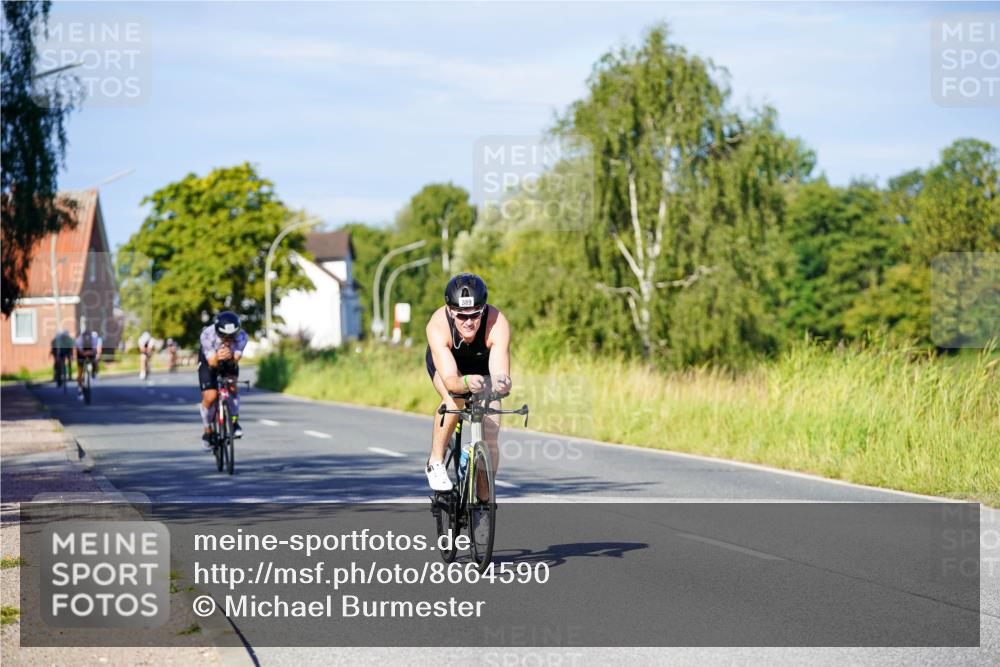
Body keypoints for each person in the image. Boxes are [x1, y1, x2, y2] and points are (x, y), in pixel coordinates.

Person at [424, 273, 511, 496]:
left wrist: (502, 383)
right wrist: (465, 382)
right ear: (451, 311)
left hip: (482, 367)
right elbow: (452, 382)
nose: (469, 322)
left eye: (474, 315)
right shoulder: (438, 325)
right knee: (455, 399)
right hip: (449, 368)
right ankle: (435, 462)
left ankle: (483, 500)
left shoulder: (497, 322)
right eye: (462, 316)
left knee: (491, 431)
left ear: (483, 309)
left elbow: (500, 372)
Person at [198, 311, 247, 449]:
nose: (229, 341)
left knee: (232, 387)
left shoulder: (242, 336)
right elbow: (212, 363)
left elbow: (235, 361)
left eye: (232, 337)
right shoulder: (207, 334)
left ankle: (234, 421)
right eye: (225, 337)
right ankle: (207, 430)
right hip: (209, 360)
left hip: (230, 359)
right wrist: (218, 357)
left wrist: (231, 356)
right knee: (211, 396)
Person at [74, 329, 98, 399]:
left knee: (95, 361)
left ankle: (94, 373)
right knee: (80, 372)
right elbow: (79, 351)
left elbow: (94, 350)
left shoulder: (94, 339)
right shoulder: (79, 340)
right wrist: (84, 354)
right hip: (81, 354)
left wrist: (90, 353)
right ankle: (80, 389)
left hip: (90, 352)